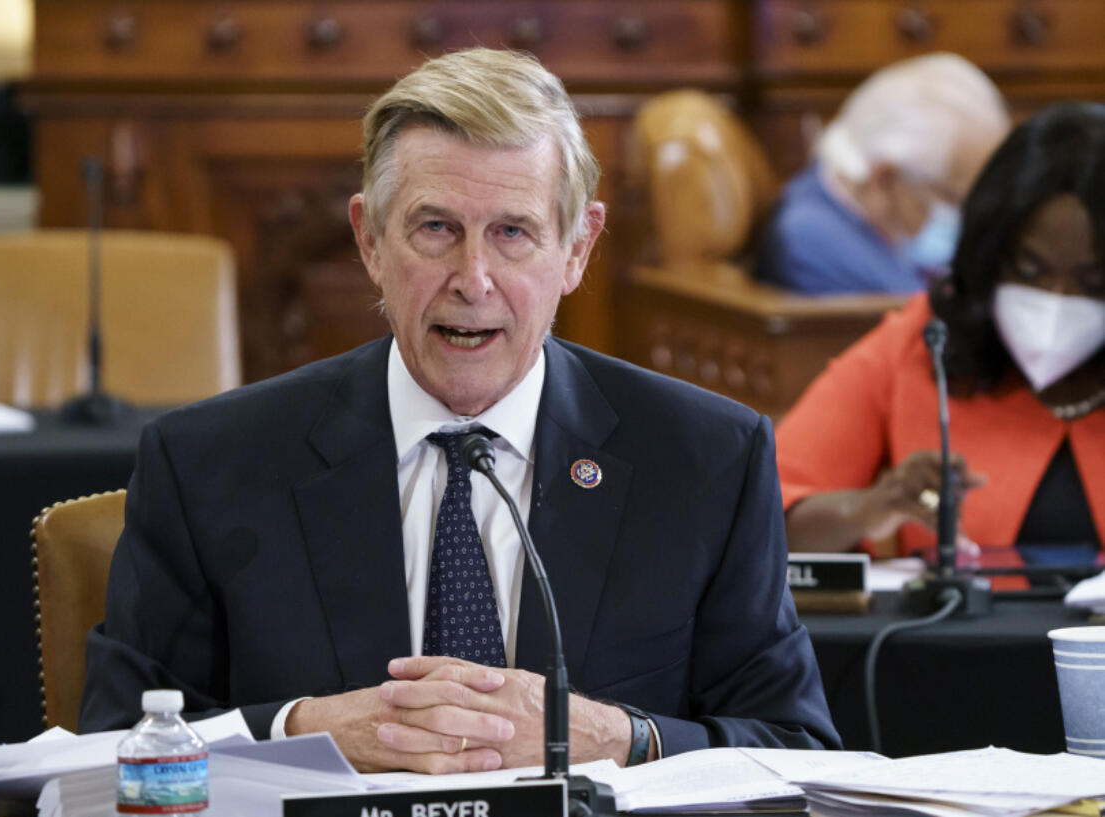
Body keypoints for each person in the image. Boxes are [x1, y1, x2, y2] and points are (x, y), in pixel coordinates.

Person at [79, 48, 839, 772]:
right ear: (370, 239)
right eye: (436, 228)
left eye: (512, 233)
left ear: (577, 248)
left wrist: (624, 735)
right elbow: (112, 742)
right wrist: (299, 726)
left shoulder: (705, 459)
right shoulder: (209, 461)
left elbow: (794, 747)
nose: (472, 280)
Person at [778, 102, 1105, 562]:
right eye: (1030, 270)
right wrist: (871, 508)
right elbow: (765, 518)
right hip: (957, 634)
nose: (1057, 298)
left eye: (1093, 282)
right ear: (989, 254)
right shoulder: (924, 340)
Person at [755, 53, 1009, 295]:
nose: (966, 221)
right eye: (956, 202)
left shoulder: (880, 225)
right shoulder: (809, 239)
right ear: (884, 179)